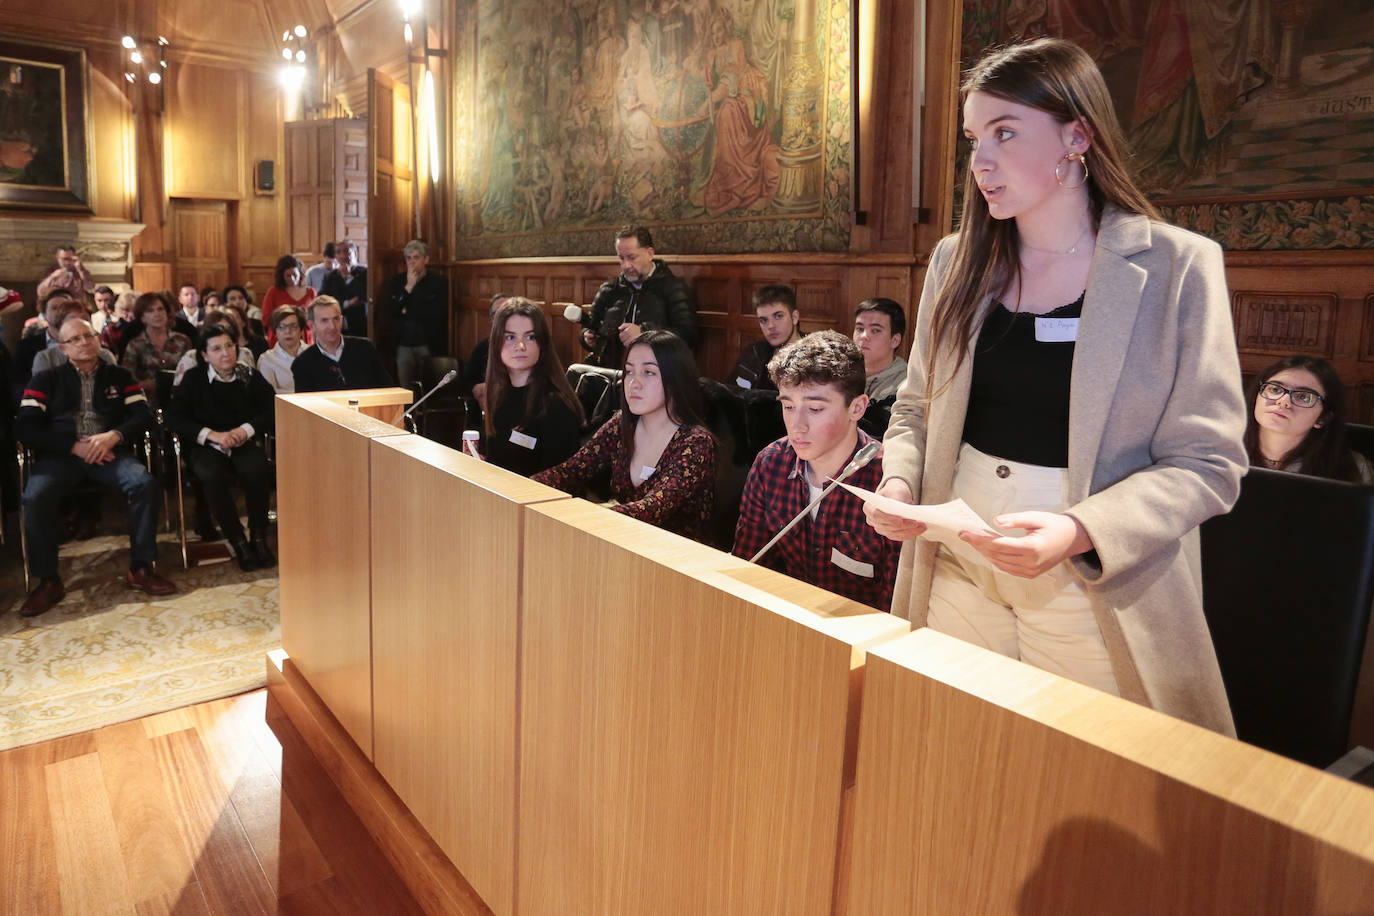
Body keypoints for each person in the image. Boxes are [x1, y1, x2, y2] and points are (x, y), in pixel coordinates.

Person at [864, 38, 1247, 734]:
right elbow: (916, 407)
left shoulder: (1176, 266)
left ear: (1077, 136)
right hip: (957, 557)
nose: (980, 161)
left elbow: (1208, 464)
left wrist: (1077, 529)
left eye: (1005, 133)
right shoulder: (955, 259)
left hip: (1093, 577)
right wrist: (899, 481)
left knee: (1085, 781)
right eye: (974, 138)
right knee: (952, 756)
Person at [16, 315, 176, 616]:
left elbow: (144, 416)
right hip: (62, 456)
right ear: (62, 348)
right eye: (74, 339)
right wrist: (73, 446)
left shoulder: (120, 376)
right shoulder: (45, 380)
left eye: (88, 336)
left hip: (110, 453)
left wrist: (114, 436)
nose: (83, 343)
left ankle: (141, 568)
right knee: (34, 497)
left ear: (98, 339)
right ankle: (48, 580)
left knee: (144, 484)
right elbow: (25, 428)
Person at [732, 331, 900, 611]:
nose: (797, 425)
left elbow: (895, 604)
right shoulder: (770, 464)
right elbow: (750, 569)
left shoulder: (888, 481)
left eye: (815, 408)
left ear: (857, 407)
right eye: (788, 406)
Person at [534, 330, 715, 540]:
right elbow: (570, 471)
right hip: (623, 543)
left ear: (675, 379)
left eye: (648, 372)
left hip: (676, 560)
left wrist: (583, 514)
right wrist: (525, 487)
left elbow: (653, 508)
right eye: (629, 372)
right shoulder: (622, 424)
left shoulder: (696, 443)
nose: (633, 383)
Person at [169, 323, 277, 572]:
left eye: (229, 345)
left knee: (257, 470)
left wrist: (245, 430)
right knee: (210, 474)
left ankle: (258, 537)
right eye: (216, 349)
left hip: (243, 440)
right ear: (205, 355)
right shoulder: (193, 379)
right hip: (208, 444)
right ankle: (237, 540)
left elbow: (272, 408)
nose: (226, 353)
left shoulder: (248, 375)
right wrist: (213, 435)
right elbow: (175, 418)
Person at [480, 298, 585, 476]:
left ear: (542, 344)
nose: (520, 346)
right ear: (496, 343)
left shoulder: (557, 405)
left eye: (530, 337)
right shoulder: (498, 394)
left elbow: (563, 482)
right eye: (510, 337)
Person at [1245, 355, 1374, 483]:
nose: (1283, 401)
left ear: (1323, 418)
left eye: (1303, 397)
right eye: (1275, 389)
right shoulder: (1226, 451)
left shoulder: (1352, 468)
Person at [582, 226, 698, 369]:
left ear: (650, 254)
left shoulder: (674, 289)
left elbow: (688, 336)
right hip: (610, 372)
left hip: (655, 373)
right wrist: (587, 338)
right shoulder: (609, 290)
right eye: (621, 258)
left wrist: (644, 332)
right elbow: (589, 325)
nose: (626, 265)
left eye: (631, 257)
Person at [291, 295, 393, 392]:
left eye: (336, 319)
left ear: (342, 320)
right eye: (324, 320)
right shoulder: (302, 364)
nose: (332, 326)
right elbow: (305, 407)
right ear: (311, 325)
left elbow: (388, 389)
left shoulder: (365, 348)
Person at [387, 239, 450, 390]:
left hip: (428, 342)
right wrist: (408, 287)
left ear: (425, 259)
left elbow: (437, 313)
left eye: (416, 257)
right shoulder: (398, 281)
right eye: (408, 258)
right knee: (406, 389)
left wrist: (407, 310)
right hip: (404, 343)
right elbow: (393, 311)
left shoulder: (438, 282)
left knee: (429, 386)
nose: (412, 262)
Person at [121, 292, 194, 407]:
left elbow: (193, 373)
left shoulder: (183, 341)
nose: (157, 314)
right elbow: (127, 380)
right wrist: (148, 385)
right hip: (146, 402)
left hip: (180, 399)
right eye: (150, 310)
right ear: (142, 317)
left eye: (161, 309)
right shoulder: (135, 345)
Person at [729, 284, 801, 391]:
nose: (771, 326)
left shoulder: (817, 358)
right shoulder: (752, 354)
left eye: (778, 316)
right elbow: (731, 396)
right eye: (763, 320)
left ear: (794, 317)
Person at [852, 298, 908, 406]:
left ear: (895, 340)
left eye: (875, 330)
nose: (864, 336)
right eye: (859, 329)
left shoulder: (906, 384)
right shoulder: (840, 373)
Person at [465, 292, 512, 406]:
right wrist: (476, 388)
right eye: (498, 313)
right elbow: (468, 380)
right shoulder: (482, 348)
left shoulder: (527, 346)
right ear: (491, 319)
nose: (503, 317)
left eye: (507, 312)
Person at [261, 256, 316, 345]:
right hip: (281, 337)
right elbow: (266, 319)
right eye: (288, 276)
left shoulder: (310, 292)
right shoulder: (274, 292)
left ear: (300, 274)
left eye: (295, 275)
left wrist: (306, 316)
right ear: (282, 276)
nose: (292, 279)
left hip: (305, 337)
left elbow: (316, 317)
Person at [320, 239, 368, 336]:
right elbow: (324, 301)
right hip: (336, 327)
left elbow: (364, 296)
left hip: (360, 327)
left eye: (346, 251)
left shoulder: (365, 273)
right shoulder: (330, 277)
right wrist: (347, 303)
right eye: (338, 252)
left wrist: (349, 278)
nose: (343, 256)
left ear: (355, 253)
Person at [257, 305, 307, 394]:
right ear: (275, 332)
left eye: (293, 326)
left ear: (301, 330)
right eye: (281, 327)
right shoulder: (267, 359)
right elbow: (269, 394)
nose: (288, 331)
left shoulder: (313, 353)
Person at [100, 291, 139, 360]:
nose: (131, 315)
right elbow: (103, 355)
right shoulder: (110, 330)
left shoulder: (147, 328)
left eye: (135, 311)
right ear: (117, 310)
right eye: (126, 310)